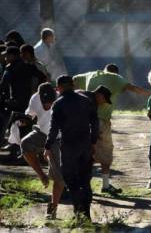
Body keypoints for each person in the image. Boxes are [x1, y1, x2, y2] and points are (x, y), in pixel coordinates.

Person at [73, 63, 151, 195]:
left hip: (84, 121)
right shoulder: (116, 78)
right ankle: (105, 185)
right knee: (106, 154)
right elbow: (133, 88)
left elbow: (72, 80)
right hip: (101, 122)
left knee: (85, 153)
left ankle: (81, 185)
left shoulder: (91, 74)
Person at [44, 76, 98, 220]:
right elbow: (95, 123)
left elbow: (54, 128)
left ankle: (78, 212)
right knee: (85, 180)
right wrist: (93, 142)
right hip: (85, 144)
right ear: (73, 85)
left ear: (60, 87)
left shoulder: (58, 103)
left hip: (69, 145)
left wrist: (48, 145)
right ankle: (85, 214)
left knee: (70, 179)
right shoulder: (86, 101)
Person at [20, 83, 64, 219]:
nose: (48, 106)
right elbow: (30, 115)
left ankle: (53, 208)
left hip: (59, 138)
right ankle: (42, 176)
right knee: (25, 144)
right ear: (39, 98)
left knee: (59, 176)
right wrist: (23, 121)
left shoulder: (62, 100)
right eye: (45, 103)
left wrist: (49, 148)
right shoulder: (35, 98)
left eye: (51, 102)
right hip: (42, 133)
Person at [0, 46, 47, 113]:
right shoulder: (28, 66)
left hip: (15, 103)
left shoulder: (10, 69)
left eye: (7, 56)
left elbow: (3, 86)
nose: (5, 58)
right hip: (29, 101)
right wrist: (36, 91)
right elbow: (43, 77)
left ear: (12, 56)